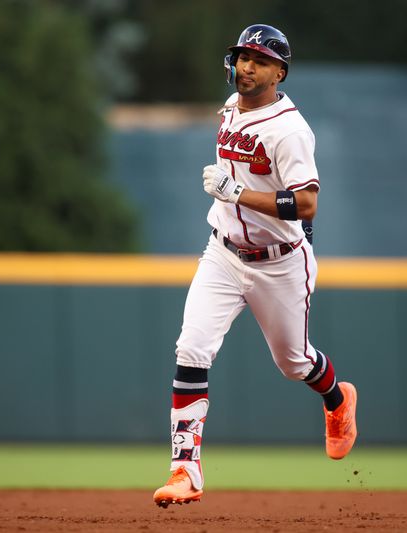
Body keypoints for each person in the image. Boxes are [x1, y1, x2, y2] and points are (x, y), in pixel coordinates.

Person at [153, 23, 358, 508]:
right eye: (243, 56)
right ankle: (185, 471)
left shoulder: (289, 129)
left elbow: (306, 203)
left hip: (279, 265)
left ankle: (337, 400)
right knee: (192, 347)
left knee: (294, 363)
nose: (247, 66)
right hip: (223, 252)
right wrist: (234, 198)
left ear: (279, 72)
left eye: (261, 60)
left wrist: (239, 193)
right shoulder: (228, 109)